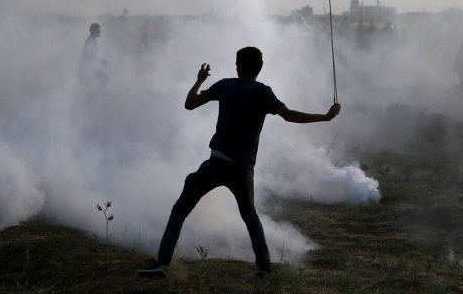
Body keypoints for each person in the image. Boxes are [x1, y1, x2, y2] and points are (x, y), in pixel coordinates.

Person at [138, 46, 341, 278]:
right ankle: (264, 268)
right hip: (243, 169)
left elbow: (190, 103)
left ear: (239, 67)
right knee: (250, 215)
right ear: (259, 69)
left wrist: (199, 80)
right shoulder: (263, 92)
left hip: (217, 163)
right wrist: (324, 118)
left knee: (181, 208)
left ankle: (162, 262)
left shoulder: (225, 85)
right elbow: (289, 115)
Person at [79, 23, 106, 87]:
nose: (100, 32)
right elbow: (89, 55)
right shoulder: (90, 41)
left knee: (103, 79)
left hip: (88, 68)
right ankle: (98, 95)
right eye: (98, 30)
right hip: (87, 69)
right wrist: (101, 61)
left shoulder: (92, 40)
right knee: (104, 79)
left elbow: (91, 55)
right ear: (94, 31)